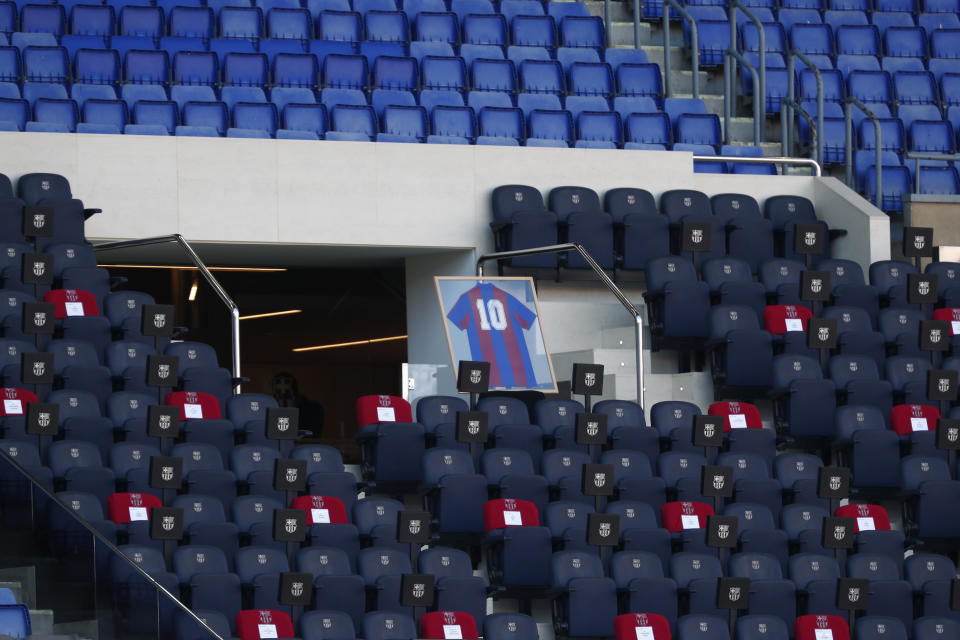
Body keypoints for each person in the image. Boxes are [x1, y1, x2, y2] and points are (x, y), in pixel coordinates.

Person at [271, 371, 324, 438]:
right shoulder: (267, 408)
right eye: (278, 392)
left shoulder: (313, 409)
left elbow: (312, 434)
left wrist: (289, 409)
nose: (283, 387)